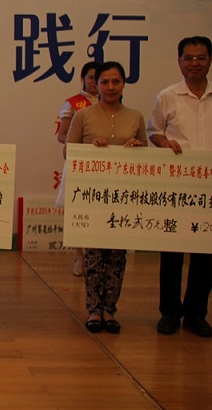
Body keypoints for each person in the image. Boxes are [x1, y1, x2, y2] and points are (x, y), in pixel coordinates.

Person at [66, 61, 147, 334]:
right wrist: (91, 148)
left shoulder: (135, 116)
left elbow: (148, 155)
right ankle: (93, 309)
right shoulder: (83, 115)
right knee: (93, 255)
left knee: (117, 255)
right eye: (104, 82)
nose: (110, 87)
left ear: (124, 84)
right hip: (91, 195)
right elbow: (69, 151)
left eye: (116, 82)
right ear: (95, 85)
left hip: (123, 195)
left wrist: (138, 147)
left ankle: (110, 309)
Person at [147, 36, 212, 338]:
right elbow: (154, 131)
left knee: (206, 251)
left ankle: (197, 313)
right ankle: (170, 312)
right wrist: (164, 143)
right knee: (172, 251)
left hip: (210, 187)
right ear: (179, 61)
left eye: (201, 57)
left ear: (209, 60)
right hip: (178, 184)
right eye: (189, 58)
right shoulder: (167, 96)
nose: (194, 63)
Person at [56, 60, 99, 277]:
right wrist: (81, 145)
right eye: (90, 77)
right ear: (83, 79)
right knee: (77, 211)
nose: (94, 82)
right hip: (80, 163)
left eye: (98, 78)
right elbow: (61, 135)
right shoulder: (73, 103)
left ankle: (97, 255)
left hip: (103, 166)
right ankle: (80, 256)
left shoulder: (110, 102)